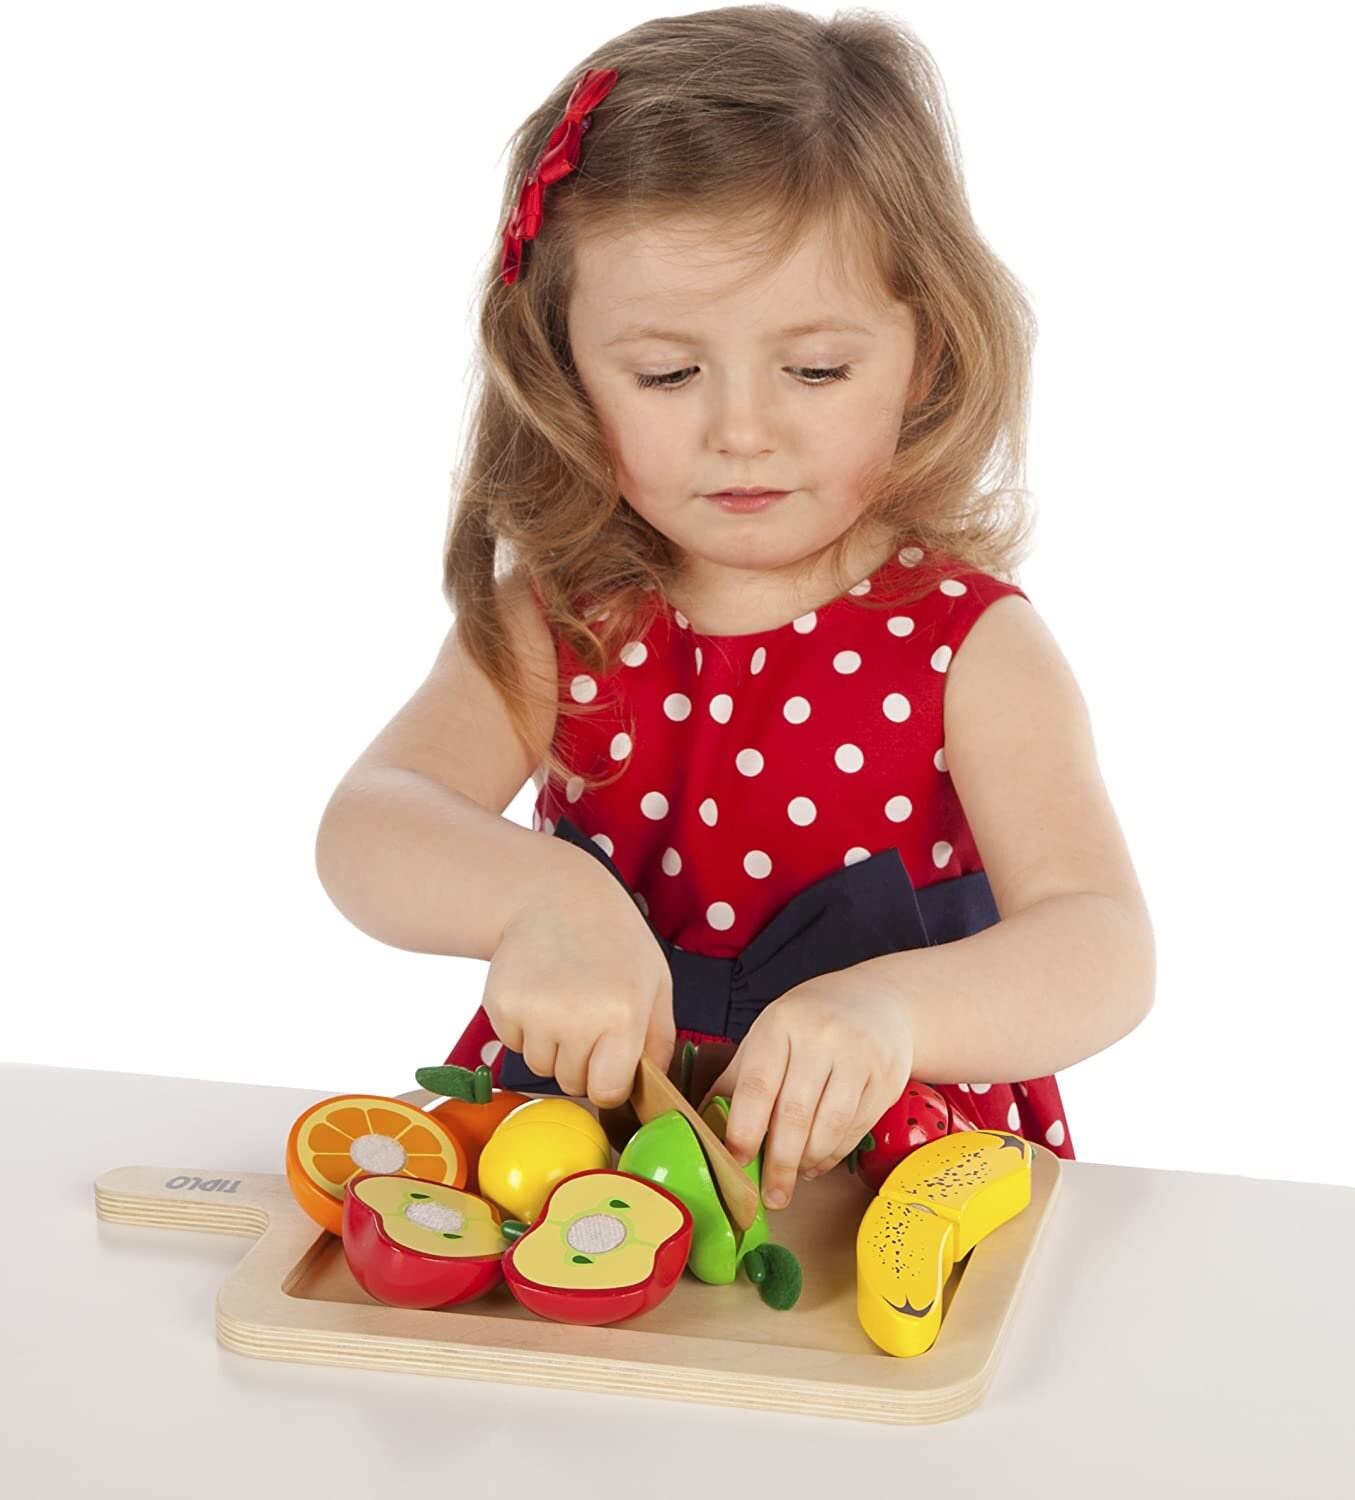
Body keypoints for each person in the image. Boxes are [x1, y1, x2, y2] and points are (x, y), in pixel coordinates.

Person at [314, 6, 1156, 1215]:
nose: (741, 430)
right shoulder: (557, 621)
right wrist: (543, 896)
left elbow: (1102, 948)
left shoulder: (969, 644)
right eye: (665, 373)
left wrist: (890, 1009)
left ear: (925, 354)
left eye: (815, 369)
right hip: (578, 1167)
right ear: (561, 365)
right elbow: (367, 828)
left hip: (891, 1179)